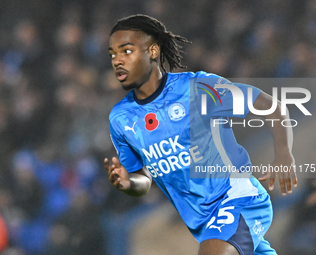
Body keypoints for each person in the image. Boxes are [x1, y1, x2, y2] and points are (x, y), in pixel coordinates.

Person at [104, 14, 297, 255]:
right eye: (112, 54)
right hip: (203, 225)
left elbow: (270, 106)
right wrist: (127, 182)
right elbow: (143, 182)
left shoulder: (197, 88)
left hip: (239, 199)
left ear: (152, 51)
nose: (117, 61)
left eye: (126, 51)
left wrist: (283, 154)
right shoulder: (121, 119)